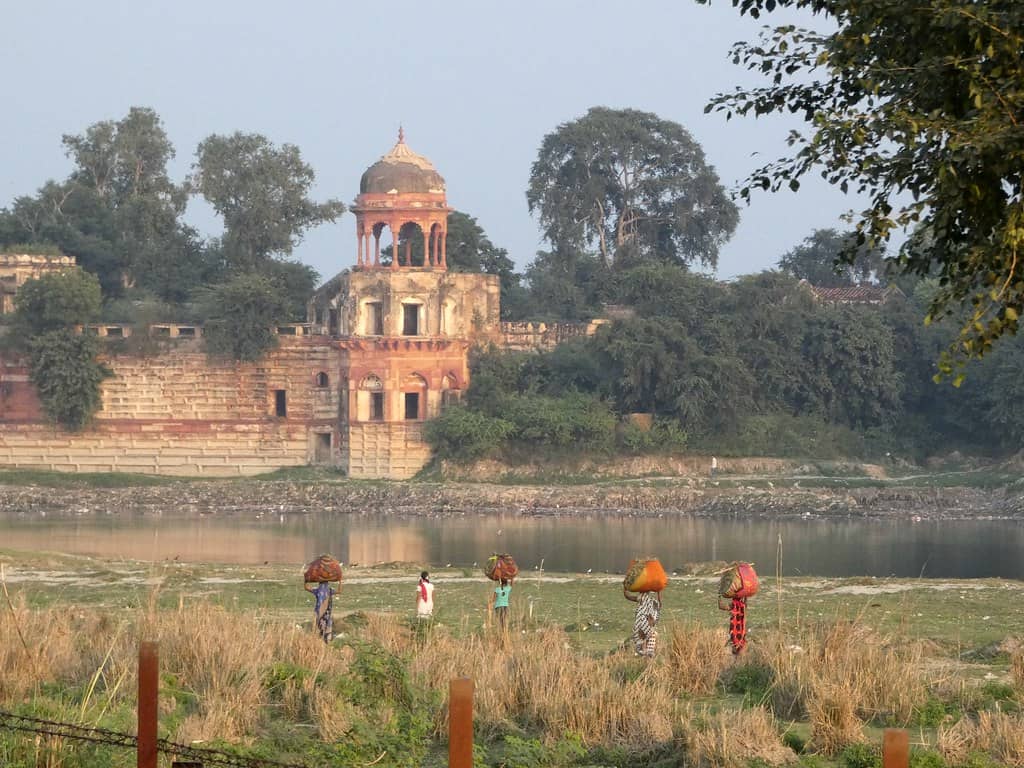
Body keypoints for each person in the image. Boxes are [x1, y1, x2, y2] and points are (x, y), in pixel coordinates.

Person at [624, 586, 662, 657]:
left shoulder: (647, 600)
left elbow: (627, 596)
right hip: (642, 623)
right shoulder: (642, 599)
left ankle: (645, 652)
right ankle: (646, 652)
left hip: (644, 623)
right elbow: (659, 604)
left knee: (648, 636)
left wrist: (625, 588)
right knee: (649, 636)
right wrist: (658, 593)